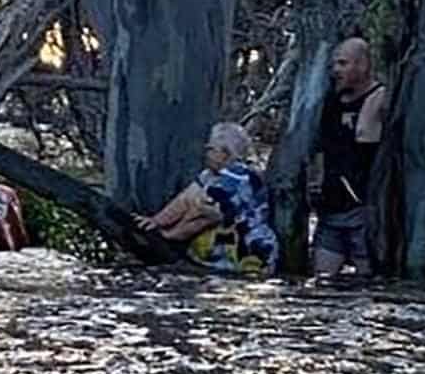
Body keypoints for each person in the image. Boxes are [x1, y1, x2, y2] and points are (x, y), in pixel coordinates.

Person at [134, 122, 280, 275]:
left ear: (225, 153)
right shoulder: (209, 175)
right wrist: (156, 222)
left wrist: (170, 235)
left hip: (248, 254)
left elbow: (208, 213)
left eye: (211, 149)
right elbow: (185, 199)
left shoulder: (239, 175)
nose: (206, 153)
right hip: (215, 255)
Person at [310, 37, 388, 276]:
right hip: (331, 209)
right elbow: (321, 149)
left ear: (362, 65)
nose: (336, 70)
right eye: (334, 65)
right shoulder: (330, 101)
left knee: (367, 283)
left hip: (364, 211)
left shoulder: (380, 97)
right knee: (322, 281)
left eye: (343, 64)